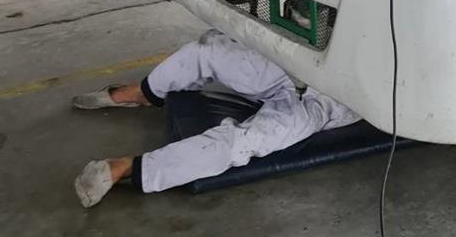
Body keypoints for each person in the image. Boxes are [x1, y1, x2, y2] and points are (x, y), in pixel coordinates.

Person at [72, 28, 359, 207]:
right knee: (208, 50)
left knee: (240, 144)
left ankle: (127, 167)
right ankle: (142, 93)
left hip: (330, 98)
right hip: (302, 63)